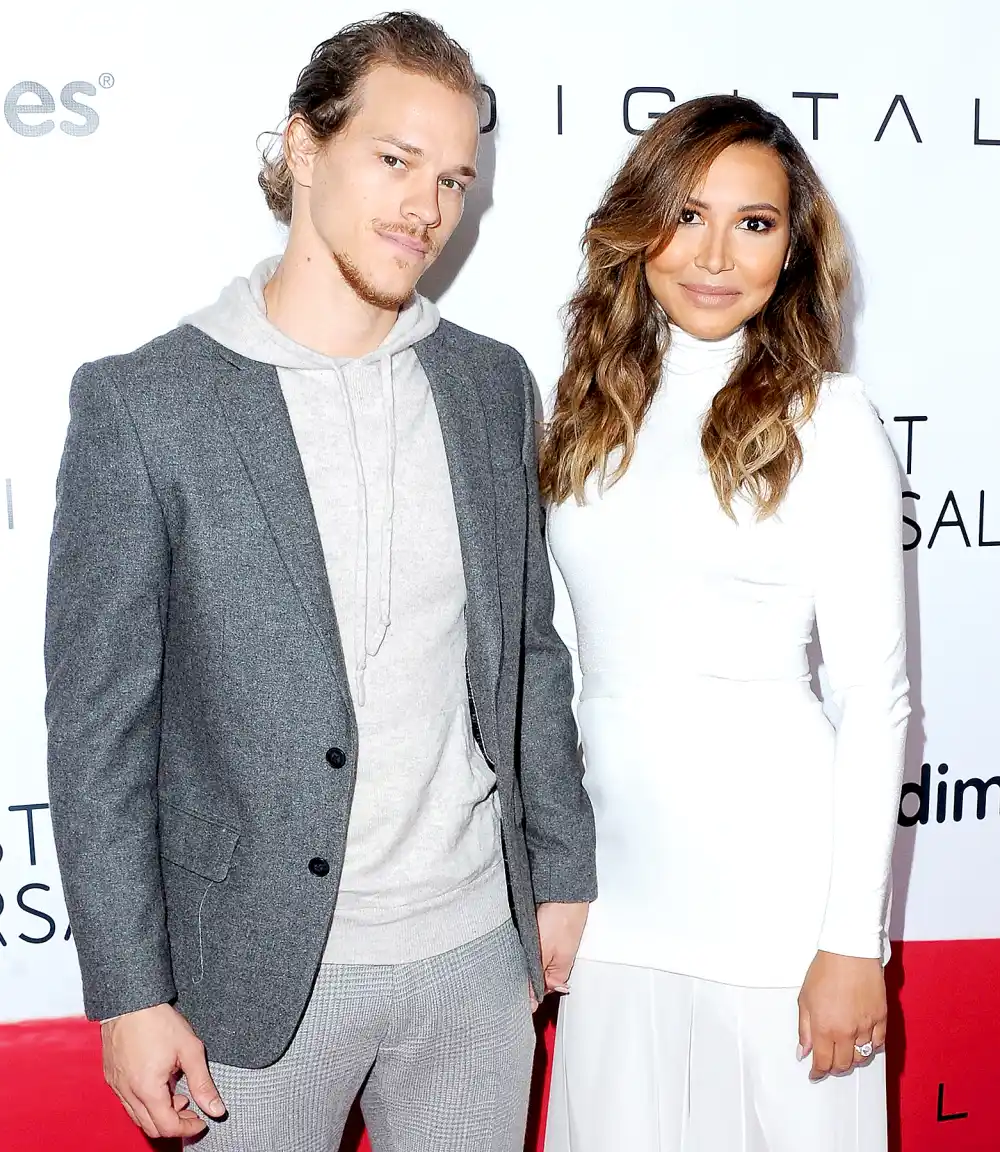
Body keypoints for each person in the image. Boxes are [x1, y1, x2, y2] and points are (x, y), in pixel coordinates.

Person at [44, 13, 595, 1151]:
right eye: (395, 159)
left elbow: (530, 656)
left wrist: (562, 873)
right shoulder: (146, 405)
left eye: (453, 179)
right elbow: (99, 730)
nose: (426, 208)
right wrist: (129, 994)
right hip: (249, 981)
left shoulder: (489, 385)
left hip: (473, 961)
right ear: (304, 148)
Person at [540, 95, 908, 1152]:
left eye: (753, 223)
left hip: (779, 911)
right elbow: (555, 670)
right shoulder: (586, 412)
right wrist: (552, 879)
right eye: (686, 214)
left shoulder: (828, 419)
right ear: (638, 227)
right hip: (612, 903)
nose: (714, 256)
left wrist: (853, 941)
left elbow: (873, 698)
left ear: (791, 250)